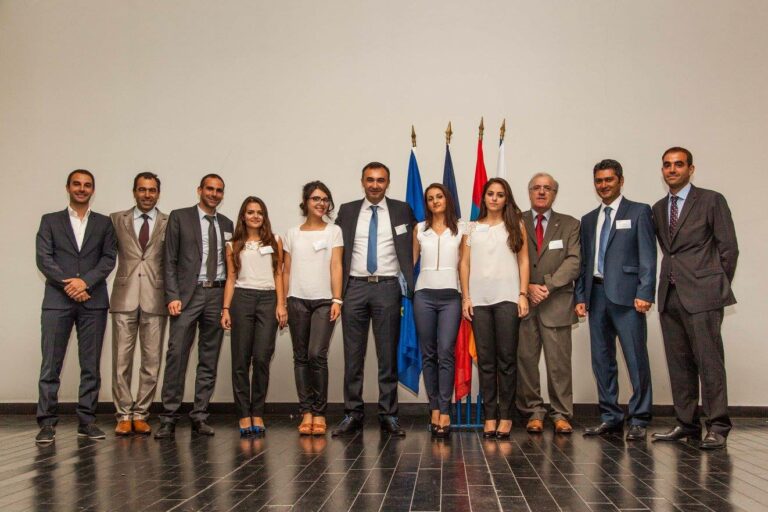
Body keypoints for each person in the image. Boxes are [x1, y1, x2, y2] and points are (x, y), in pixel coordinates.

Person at [650, 147, 738, 450]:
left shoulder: (711, 200)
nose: (672, 170)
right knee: (680, 363)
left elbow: (729, 249)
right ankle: (687, 424)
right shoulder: (659, 208)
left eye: (678, 165)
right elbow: (668, 249)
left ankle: (718, 425)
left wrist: (714, 285)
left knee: (709, 362)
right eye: (667, 165)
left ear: (691, 168)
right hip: (670, 294)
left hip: (703, 295)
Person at [332, 162, 416, 437]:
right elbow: (336, 250)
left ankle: (388, 415)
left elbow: (417, 242)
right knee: (353, 356)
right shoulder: (347, 210)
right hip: (354, 288)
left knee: (387, 356)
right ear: (362, 181)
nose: (375, 185)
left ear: (387, 183)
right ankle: (352, 413)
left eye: (381, 180)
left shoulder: (403, 210)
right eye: (370, 179)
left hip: (387, 288)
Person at [575, 159, 656, 441]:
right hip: (596, 296)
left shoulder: (639, 212)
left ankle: (639, 418)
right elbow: (584, 263)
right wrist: (580, 296)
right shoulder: (587, 220)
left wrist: (645, 292)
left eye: (609, 180)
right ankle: (610, 416)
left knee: (636, 359)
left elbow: (648, 255)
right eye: (599, 181)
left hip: (628, 298)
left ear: (620, 180)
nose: (604, 185)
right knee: (602, 360)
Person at [35, 169, 117, 444]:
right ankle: (46, 423)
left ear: (93, 190)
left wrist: (85, 284)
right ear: (68, 187)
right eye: (77, 184)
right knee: (50, 366)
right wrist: (69, 285)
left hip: (93, 303)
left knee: (90, 366)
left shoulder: (105, 224)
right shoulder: (50, 221)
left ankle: (87, 421)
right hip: (57, 303)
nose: (82, 189)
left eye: (87, 185)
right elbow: (44, 259)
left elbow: (108, 259)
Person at [155, 174, 234, 438]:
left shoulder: (227, 223)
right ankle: (168, 416)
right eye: (209, 189)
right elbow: (169, 260)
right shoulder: (180, 217)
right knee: (177, 355)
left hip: (217, 294)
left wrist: (227, 304)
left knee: (208, 359)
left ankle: (200, 415)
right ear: (199, 190)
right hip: (187, 296)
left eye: (219, 190)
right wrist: (172, 295)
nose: (214, 194)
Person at [460, 177, 530, 439]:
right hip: (479, 301)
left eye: (500, 195)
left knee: (507, 361)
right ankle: (490, 416)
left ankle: (507, 416)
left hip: (507, 299)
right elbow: (464, 264)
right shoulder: (471, 228)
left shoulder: (516, 225)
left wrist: (522, 294)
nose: (495, 198)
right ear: (484, 197)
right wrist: (466, 298)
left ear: (506, 198)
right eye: (490, 193)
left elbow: (524, 261)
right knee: (486, 362)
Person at [516, 173, 580, 434]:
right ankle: (533, 412)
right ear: (529, 192)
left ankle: (561, 414)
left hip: (556, 303)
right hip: (524, 303)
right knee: (526, 362)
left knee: (559, 364)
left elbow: (574, 261)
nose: (541, 192)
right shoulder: (514, 221)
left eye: (547, 189)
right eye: (536, 188)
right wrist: (527, 287)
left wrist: (547, 286)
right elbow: (504, 259)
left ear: (555, 193)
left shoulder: (570, 224)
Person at [221, 197, 287, 436]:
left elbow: (278, 275)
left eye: (260, 212)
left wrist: (281, 305)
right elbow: (230, 277)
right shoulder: (232, 244)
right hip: (241, 299)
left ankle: (257, 410)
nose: (255, 216)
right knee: (240, 360)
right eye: (250, 212)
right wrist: (226, 308)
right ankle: (243, 414)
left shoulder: (275, 240)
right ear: (243, 216)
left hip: (268, 299)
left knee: (261, 358)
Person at [109, 172, 168, 436]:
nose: (147, 195)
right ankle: (123, 414)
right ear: (134, 192)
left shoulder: (169, 222)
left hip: (156, 297)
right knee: (121, 361)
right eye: (142, 190)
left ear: (158, 193)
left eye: (152, 190)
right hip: (124, 296)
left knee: (151, 361)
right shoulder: (115, 220)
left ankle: (141, 413)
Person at [283, 182, 343, 436]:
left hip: (323, 301)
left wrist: (337, 299)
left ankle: (319, 413)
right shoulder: (292, 233)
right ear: (305, 202)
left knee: (316, 354)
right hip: (296, 299)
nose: (320, 203)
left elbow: (337, 266)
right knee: (300, 357)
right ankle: (305, 411)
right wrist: (282, 302)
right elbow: (285, 270)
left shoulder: (334, 231)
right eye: (315, 198)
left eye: (325, 199)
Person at [412, 183, 463, 438]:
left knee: (446, 352)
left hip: (451, 297)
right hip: (424, 295)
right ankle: (433, 407)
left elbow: (465, 265)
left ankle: (446, 408)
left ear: (447, 199)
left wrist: (467, 297)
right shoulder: (419, 229)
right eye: (430, 198)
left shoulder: (462, 229)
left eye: (439, 196)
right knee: (428, 353)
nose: (435, 201)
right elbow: (411, 263)